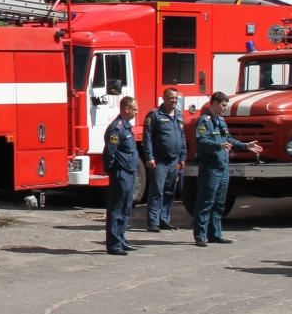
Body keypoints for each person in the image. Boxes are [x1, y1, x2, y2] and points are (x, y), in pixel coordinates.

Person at [192, 91, 262, 246]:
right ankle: (200, 235)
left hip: (223, 167)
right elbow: (202, 142)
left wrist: (245, 146)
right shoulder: (205, 121)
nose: (225, 108)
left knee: (219, 203)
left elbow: (228, 139)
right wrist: (219, 145)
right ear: (215, 103)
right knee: (205, 202)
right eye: (223, 105)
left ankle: (215, 234)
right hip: (210, 168)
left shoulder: (221, 121)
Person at [142, 87, 188, 231]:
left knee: (169, 191)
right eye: (171, 98)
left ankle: (164, 219)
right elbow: (147, 137)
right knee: (157, 191)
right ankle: (152, 222)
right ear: (164, 98)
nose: (174, 100)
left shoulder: (179, 115)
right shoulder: (154, 115)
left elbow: (182, 136)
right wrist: (149, 157)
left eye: (176, 98)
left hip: (174, 160)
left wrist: (183, 156)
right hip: (159, 160)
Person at [102, 95, 141, 255]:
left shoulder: (126, 127)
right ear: (127, 109)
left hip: (129, 173)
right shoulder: (116, 128)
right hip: (121, 173)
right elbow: (110, 152)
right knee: (116, 209)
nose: (137, 112)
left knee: (126, 209)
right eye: (135, 109)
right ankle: (114, 244)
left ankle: (121, 239)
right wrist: (111, 169)